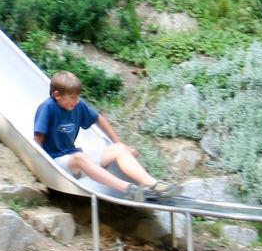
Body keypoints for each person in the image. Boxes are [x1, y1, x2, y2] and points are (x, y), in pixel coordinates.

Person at [32, 71, 177, 198]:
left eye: (77, 97)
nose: (76, 101)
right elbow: (38, 140)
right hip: (56, 164)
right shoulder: (48, 107)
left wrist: (120, 144)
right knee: (79, 157)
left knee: (119, 149)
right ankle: (128, 189)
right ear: (57, 95)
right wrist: (41, 169)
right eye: (72, 98)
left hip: (76, 159)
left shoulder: (78, 105)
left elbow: (99, 118)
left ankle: (153, 184)